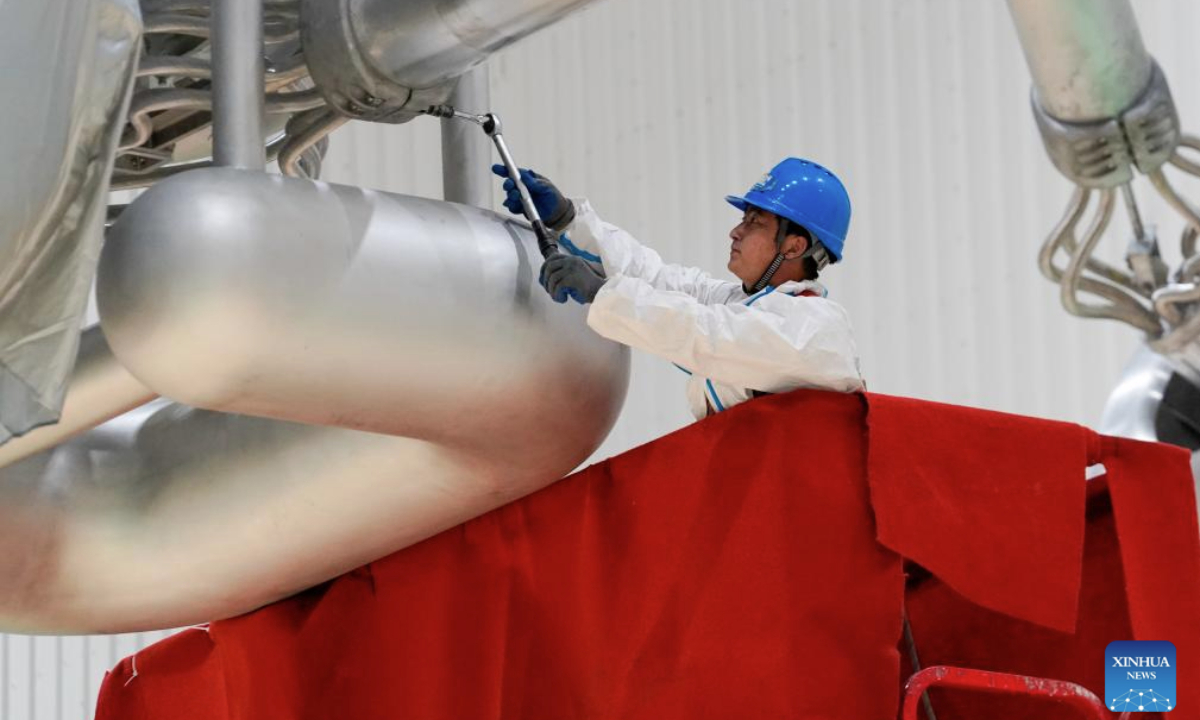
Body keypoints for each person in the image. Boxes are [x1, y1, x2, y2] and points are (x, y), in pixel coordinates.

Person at [493, 157, 865, 420]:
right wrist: (567, 218)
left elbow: (704, 334)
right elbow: (656, 278)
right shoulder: (745, 306)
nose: (736, 231)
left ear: (794, 246)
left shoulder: (816, 328)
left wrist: (602, 293)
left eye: (755, 222)